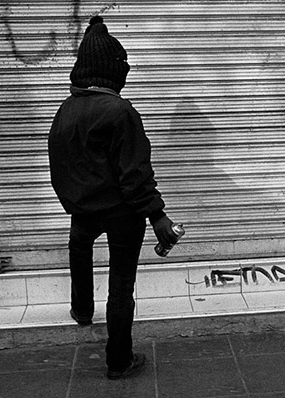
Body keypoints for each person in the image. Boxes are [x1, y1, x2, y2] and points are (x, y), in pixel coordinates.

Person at [47, 15, 178, 380]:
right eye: (122, 67)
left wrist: (76, 203)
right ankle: (119, 360)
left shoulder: (65, 110)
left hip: (82, 209)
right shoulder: (120, 111)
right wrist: (158, 217)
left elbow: (58, 166)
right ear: (111, 71)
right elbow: (135, 174)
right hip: (122, 214)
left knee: (80, 248)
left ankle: (82, 309)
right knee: (121, 284)